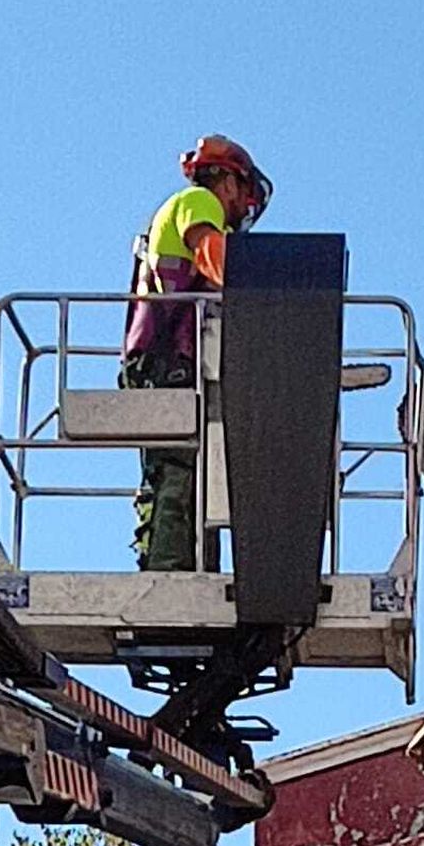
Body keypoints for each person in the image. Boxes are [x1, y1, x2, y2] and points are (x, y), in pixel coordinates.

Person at [121, 135, 272, 572]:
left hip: (164, 358)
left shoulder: (187, 206)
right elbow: (214, 260)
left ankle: (186, 566)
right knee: (179, 469)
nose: (244, 206)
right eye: (242, 192)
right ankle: (169, 570)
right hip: (168, 359)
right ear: (224, 180)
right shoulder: (199, 202)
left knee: (194, 474)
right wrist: (267, 292)